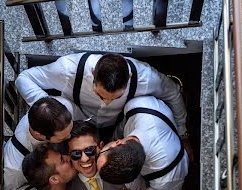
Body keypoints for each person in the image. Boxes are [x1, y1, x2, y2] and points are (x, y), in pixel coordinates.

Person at [15, 52, 188, 135]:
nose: (106, 103)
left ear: (129, 77)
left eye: (116, 97)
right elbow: (24, 78)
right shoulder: (68, 70)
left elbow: (173, 93)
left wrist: (183, 133)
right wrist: (54, 112)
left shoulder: (146, 78)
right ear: (92, 73)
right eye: (100, 95)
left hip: (117, 126)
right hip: (74, 120)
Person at [4, 96, 73, 190]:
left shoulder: (61, 108)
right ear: (41, 135)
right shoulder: (14, 167)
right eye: (63, 137)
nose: (70, 137)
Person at [97, 96, 189, 190]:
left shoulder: (168, 177)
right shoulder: (138, 105)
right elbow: (122, 126)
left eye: (100, 153)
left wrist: (184, 137)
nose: (99, 150)